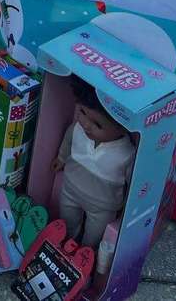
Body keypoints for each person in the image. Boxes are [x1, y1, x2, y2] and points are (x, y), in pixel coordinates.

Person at [51, 76, 134, 248]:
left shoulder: (126, 153)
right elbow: (68, 140)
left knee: (94, 236)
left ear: (122, 127)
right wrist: (61, 157)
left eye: (97, 124)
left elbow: (131, 180)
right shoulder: (77, 129)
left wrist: (129, 204)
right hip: (70, 189)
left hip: (103, 205)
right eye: (82, 112)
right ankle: (65, 245)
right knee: (67, 223)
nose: (86, 125)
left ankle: (86, 254)